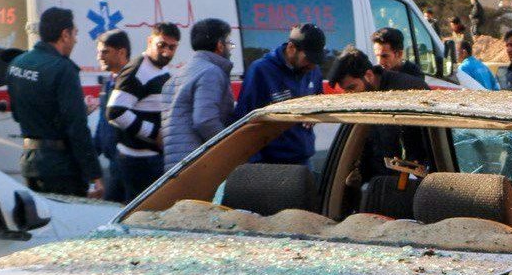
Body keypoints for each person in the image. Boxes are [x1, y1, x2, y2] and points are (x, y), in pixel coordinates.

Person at [5, 7, 103, 197]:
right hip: (61, 168)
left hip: (30, 161)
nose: (75, 40)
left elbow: (18, 114)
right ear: (64, 34)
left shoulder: (17, 63)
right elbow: (77, 128)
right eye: (74, 34)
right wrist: (95, 175)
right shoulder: (63, 69)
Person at [327, 47, 429, 179]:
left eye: (352, 88)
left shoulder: (410, 90)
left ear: (369, 75)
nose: (350, 96)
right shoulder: (360, 97)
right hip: (377, 181)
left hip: (411, 179)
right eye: (345, 91)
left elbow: (430, 142)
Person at [231, 23, 325, 165]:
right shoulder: (261, 71)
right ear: (291, 48)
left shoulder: (313, 70)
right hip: (271, 163)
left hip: (303, 159)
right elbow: (243, 121)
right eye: (308, 59)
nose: (312, 66)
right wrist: (256, 164)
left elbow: (320, 100)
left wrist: (316, 113)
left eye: (316, 61)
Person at [106, 22, 179, 197]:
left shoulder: (160, 68)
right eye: (161, 45)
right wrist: (155, 134)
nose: (166, 52)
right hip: (139, 161)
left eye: (172, 47)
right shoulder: (137, 70)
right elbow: (115, 112)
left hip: (151, 158)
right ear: (150, 41)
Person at [162, 18, 234, 172]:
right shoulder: (210, 72)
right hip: (198, 164)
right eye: (229, 43)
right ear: (220, 45)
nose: (230, 48)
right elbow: (205, 121)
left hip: (175, 165)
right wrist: (229, 148)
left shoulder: (176, 76)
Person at [93, 29, 130, 203]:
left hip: (127, 163)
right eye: (98, 52)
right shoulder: (109, 82)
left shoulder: (132, 81)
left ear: (121, 52)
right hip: (113, 164)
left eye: (105, 52)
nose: (99, 56)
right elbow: (103, 123)